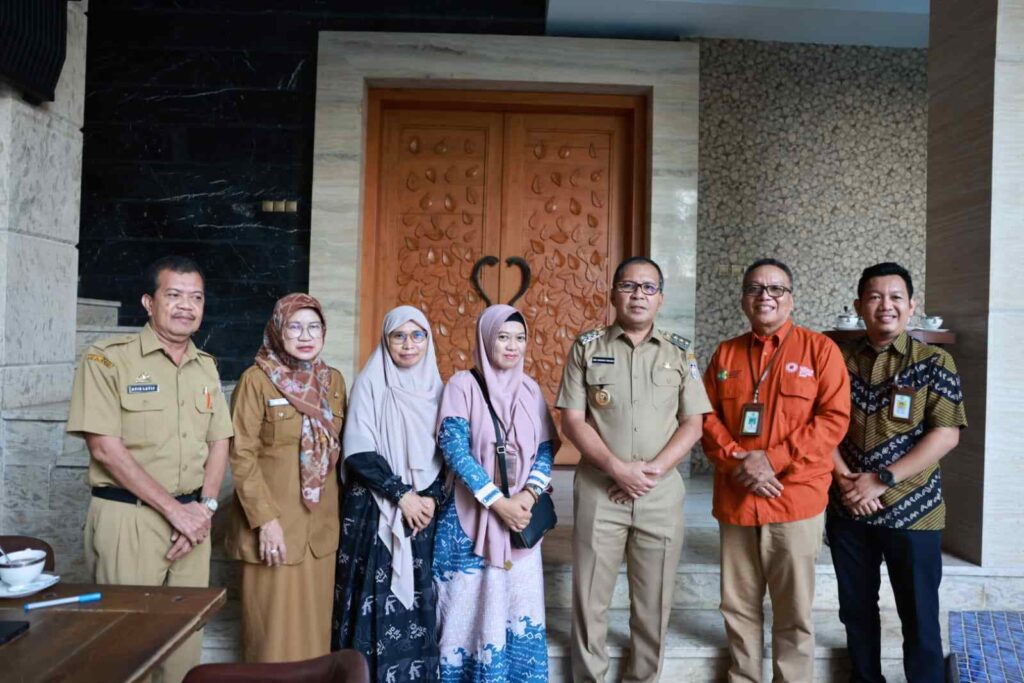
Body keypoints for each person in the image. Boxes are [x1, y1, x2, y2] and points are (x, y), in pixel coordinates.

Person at [66, 255, 232, 683]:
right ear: (148, 302)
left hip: (193, 524)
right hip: (130, 520)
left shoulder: (206, 365)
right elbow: (105, 449)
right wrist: (176, 512)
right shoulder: (107, 360)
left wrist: (205, 509)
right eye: (174, 295)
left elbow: (220, 441)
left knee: (184, 645)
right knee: (125, 646)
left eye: (196, 297)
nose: (186, 306)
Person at [556, 256, 711, 683]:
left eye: (648, 288)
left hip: (659, 495)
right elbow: (572, 420)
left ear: (660, 298)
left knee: (654, 600)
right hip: (600, 490)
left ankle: (642, 678)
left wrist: (651, 472)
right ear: (613, 294)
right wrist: (617, 469)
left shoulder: (680, 352)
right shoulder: (587, 347)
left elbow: (693, 423)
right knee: (590, 597)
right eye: (628, 286)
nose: (638, 295)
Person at [701, 257, 851, 682]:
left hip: (794, 499)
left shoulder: (821, 351)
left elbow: (833, 419)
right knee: (737, 606)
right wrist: (739, 460)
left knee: (794, 611)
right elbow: (703, 415)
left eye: (775, 289)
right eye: (755, 288)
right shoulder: (726, 352)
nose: (764, 296)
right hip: (737, 498)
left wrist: (772, 460)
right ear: (743, 299)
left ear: (791, 299)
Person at [828, 262, 966, 683]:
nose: (885, 305)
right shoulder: (836, 361)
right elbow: (819, 426)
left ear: (911, 305)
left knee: (919, 614)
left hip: (915, 510)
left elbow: (946, 434)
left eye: (895, 297)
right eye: (874, 297)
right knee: (855, 610)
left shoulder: (935, 361)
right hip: (850, 508)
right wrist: (845, 481)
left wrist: (881, 479)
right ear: (858, 306)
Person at [433, 304, 557, 682]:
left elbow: (547, 448)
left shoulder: (531, 389)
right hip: (468, 521)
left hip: (520, 520)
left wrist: (528, 497)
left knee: (519, 612)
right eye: (503, 337)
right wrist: (497, 502)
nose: (512, 346)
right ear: (486, 339)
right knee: (464, 614)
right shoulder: (462, 385)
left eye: (520, 338)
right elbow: (454, 448)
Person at [224, 293, 345, 662]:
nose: (305, 336)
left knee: (315, 641)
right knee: (272, 643)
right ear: (278, 330)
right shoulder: (256, 380)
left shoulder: (333, 381)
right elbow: (241, 454)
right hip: (273, 531)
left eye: (313, 327)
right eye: (295, 327)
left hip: (319, 533)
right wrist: (265, 520)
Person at [332, 305, 444, 682]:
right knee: (373, 600)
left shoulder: (438, 390)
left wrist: (431, 499)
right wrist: (401, 495)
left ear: (428, 340)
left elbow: (447, 455)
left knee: (418, 607)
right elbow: (358, 451)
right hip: (374, 511)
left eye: (417, 335)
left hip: (421, 516)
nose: (408, 344)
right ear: (386, 340)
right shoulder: (370, 383)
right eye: (399, 336)